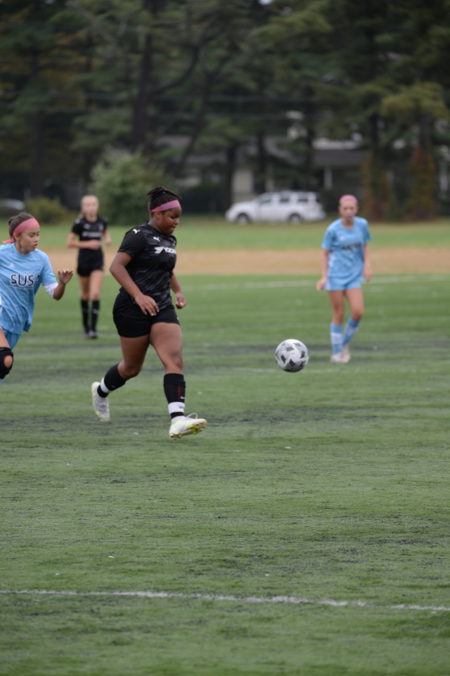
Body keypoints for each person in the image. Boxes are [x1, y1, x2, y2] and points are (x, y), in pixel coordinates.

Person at [90, 186, 207, 439]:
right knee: (131, 368)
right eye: (172, 217)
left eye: (179, 217)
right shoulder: (138, 235)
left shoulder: (170, 240)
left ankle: (177, 419)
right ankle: (101, 391)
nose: (176, 222)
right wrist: (139, 296)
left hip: (162, 306)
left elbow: (166, 269)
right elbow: (116, 267)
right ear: (157, 213)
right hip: (130, 308)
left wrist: (178, 291)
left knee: (173, 359)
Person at [0, 212, 73, 381]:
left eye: (38, 234)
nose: (36, 239)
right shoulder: (2, 254)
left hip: (16, 322)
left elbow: (55, 294)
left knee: (2, 370)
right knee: (4, 360)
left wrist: (62, 284)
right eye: (31, 235)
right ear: (17, 236)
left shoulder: (41, 259)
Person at [316, 194, 372, 363]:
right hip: (335, 276)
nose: (348, 212)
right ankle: (336, 353)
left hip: (353, 275)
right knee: (339, 313)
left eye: (351, 208)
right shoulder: (332, 229)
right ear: (340, 210)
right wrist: (324, 277)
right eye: (345, 208)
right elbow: (324, 254)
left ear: (357, 209)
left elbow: (365, 246)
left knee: (358, 312)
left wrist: (367, 266)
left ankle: (343, 343)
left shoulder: (362, 225)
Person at [67, 194, 111, 339]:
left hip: (97, 260)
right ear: (83, 208)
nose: (91, 207)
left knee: (95, 294)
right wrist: (88, 244)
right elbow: (70, 242)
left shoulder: (102, 221)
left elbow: (105, 233)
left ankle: (93, 329)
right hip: (83, 261)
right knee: (85, 295)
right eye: (88, 205)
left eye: (93, 204)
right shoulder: (79, 223)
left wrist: (107, 239)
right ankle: (86, 327)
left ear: (97, 206)